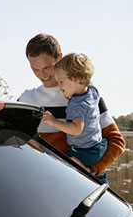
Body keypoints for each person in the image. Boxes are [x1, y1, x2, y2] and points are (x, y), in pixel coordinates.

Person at [18, 34, 125, 183]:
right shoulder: (27, 100)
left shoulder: (85, 94)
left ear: (60, 58)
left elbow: (116, 141)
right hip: (46, 185)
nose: (42, 75)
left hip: (84, 184)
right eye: (35, 69)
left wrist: (92, 170)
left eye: (47, 67)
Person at [41, 53, 107, 181]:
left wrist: (53, 121)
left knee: (69, 169)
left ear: (77, 79)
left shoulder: (77, 104)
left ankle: (84, 169)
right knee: (100, 179)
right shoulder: (92, 91)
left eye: (61, 82)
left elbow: (76, 129)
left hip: (83, 151)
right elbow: (85, 77)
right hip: (98, 145)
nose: (59, 87)